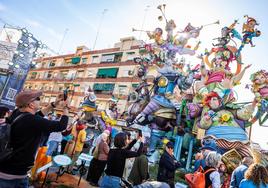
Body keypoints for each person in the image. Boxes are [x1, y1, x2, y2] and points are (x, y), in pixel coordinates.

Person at [0, 90, 69, 187]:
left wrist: (54, 104)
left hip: (8, 170)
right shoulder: (33, 120)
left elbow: (39, 115)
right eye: (38, 99)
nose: (40, 100)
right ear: (31, 105)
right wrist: (66, 107)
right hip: (13, 177)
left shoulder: (18, 113)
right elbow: (61, 126)